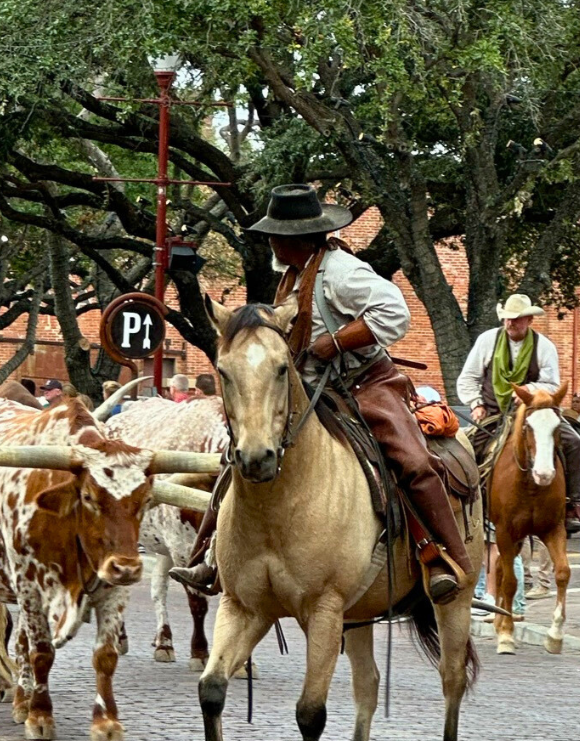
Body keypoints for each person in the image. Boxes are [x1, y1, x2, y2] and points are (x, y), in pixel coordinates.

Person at [171, 184, 473, 605]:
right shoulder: (292, 276)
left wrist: (337, 341)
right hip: (313, 388)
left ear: (295, 238)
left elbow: (394, 312)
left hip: (366, 382)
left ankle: (445, 558)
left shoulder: (343, 271)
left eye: (276, 234)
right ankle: (210, 556)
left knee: (413, 460)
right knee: (240, 453)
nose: (271, 242)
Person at [456, 293, 580, 537]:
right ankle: (466, 503)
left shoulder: (544, 346)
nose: (510, 323)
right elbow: (468, 377)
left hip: (534, 411)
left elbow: (552, 384)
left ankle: (572, 504)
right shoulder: (487, 341)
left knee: (575, 443)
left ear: (529, 320)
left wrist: (530, 392)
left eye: (516, 319)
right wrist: (476, 403)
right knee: (465, 448)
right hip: (493, 411)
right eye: (507, 318)